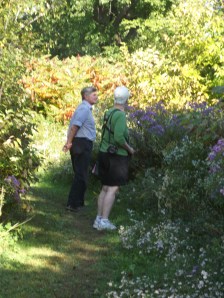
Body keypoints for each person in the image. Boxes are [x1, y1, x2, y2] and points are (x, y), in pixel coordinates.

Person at [93, 86, 135, 230]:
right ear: (126, 99)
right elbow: (118, 137)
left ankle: (98, 219)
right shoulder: (121, 115)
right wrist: (130, 149)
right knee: (113, 189)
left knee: (105, 187)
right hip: (116, 157)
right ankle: (104, 221)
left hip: (104, 153)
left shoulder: (109, 112)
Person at [63, 86, 98, 211]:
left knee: (81, 173)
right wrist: (69, 142)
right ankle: (72, 203)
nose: (96, 96)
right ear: (85, 96)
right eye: (93, 94)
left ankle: (78, 202)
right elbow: (75, 127)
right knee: (80, 174)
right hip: (81, 143)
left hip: (81, 143)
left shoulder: (85, 108)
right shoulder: (84, 109)